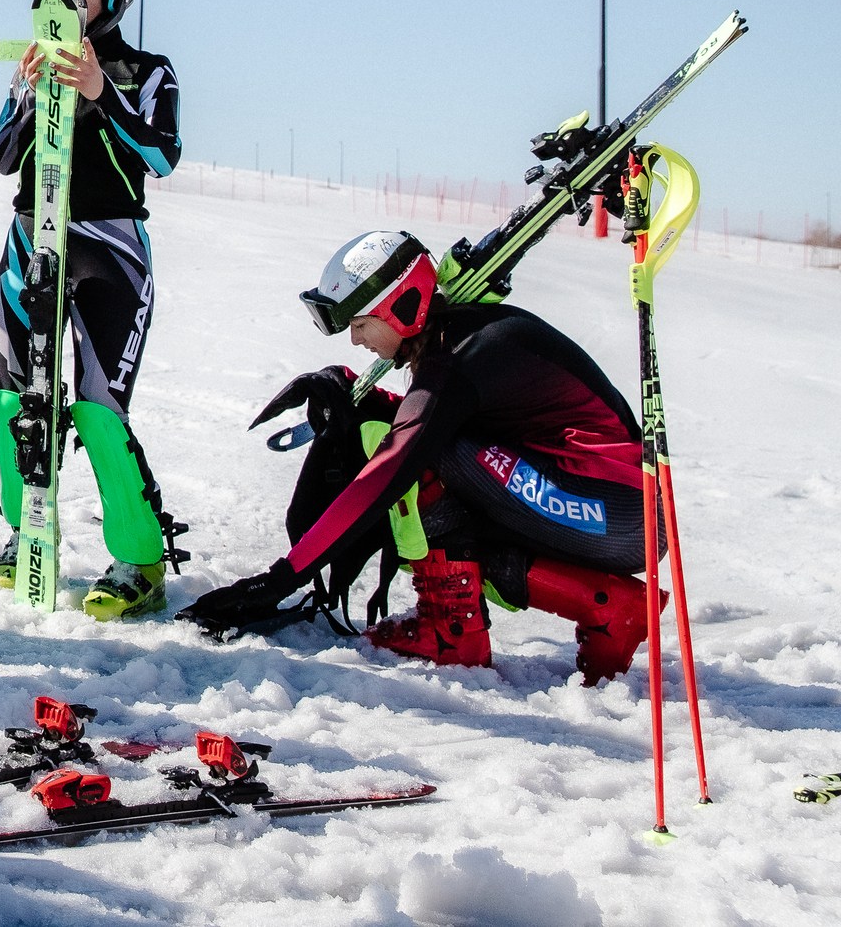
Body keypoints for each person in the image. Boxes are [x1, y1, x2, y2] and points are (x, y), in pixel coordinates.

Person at [182, 231, 655, 683]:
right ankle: (607, 604)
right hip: (608, 506)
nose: (355, 339)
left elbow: (392, 465)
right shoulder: (454, 340)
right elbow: (425, 419)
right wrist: (348, 391)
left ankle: (452, 631)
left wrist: (280, 580)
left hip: (616, 511)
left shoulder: (460, 358)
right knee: (417, 458)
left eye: (360, 324)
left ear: (400, 308)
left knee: (416, 459)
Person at [0, 0, 183, 620]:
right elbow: (2, 157)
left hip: (111, 249)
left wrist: (100, 90)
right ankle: (27, 533)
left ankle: (140, 558)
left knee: (98, 410)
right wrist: (31, 98)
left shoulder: (148, 69)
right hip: (30, 240)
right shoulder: (30, 63)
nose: (65, 0)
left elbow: (161, 155)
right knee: (16, 399)